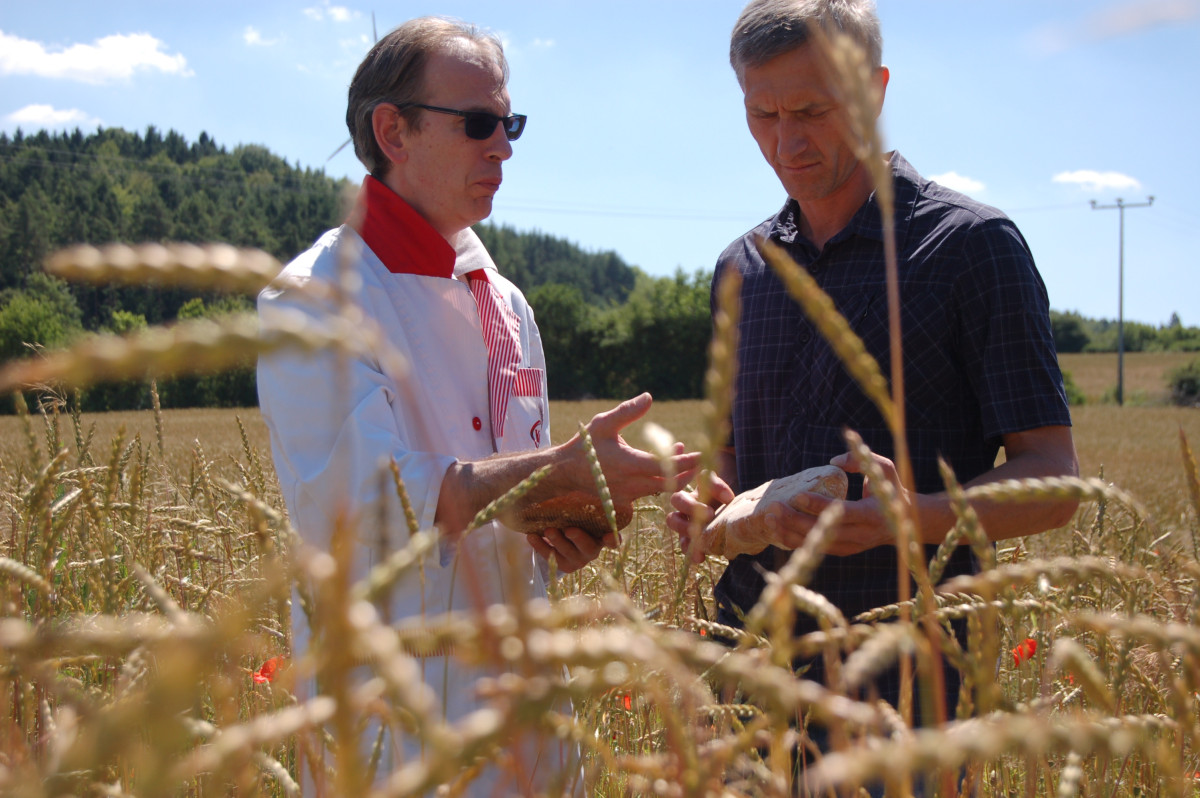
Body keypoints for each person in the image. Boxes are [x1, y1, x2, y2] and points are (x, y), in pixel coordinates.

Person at [257, 16, 696, 794]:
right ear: (392, 130)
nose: (504, 146)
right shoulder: (312, 300)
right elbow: (372, 507)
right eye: (480, 124)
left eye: (510, 123)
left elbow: (515, 496)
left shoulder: (511, 306)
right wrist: (546, 475)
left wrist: (571, 520)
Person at [668, 0, 1079, 727]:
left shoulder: (971, 248)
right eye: (761, 114)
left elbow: (1053, 483)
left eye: (810, 109)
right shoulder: (742, 267)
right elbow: (732, 458)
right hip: (748, 657)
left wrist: (908, 520)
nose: (785, 141)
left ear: (875, 90)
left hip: (912, 678)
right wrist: (711, 505)